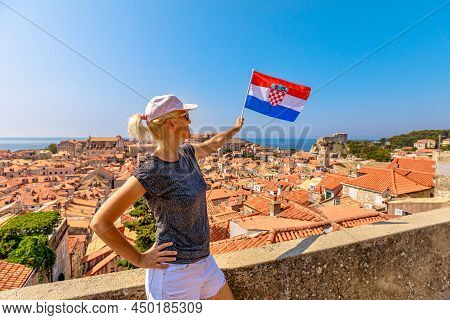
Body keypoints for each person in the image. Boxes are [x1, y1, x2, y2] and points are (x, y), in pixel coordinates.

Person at [90, 94, 244, 300]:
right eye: (186, 115)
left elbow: (213, 143)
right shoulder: (153, 171)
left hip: (205, 262)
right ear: (172, 123)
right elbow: (100, 222)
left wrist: (234, 130)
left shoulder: (187, 154)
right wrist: (139, 259)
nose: (190, 120)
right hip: (173, 274)